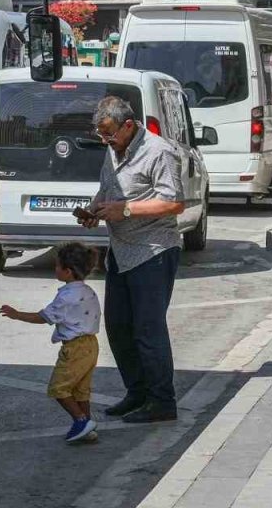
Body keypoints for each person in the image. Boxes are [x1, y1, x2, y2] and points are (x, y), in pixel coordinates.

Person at [79, 96, 185, 424]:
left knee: (148, 329)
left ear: (128, 125)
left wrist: (125, 210)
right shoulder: (114, 149)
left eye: (109, 134)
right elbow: (107, 188)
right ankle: (137, 392)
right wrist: (95, 209)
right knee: (119, 327)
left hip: (153, 250)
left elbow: (174, 203)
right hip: (121, 252)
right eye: (100, 135)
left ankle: (162, 401)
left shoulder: (159, 151)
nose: (105, 141)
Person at [0, 243, 102, 442]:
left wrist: (17, 314)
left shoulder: (66, 296)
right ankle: (87, 426)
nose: (55, 269)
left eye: (57, 266)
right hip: (91, 344)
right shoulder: (88, 291)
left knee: (59, 388)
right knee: (81, 390)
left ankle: (81, 420)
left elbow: (44, 317)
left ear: (68, 271)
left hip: (74, 348)